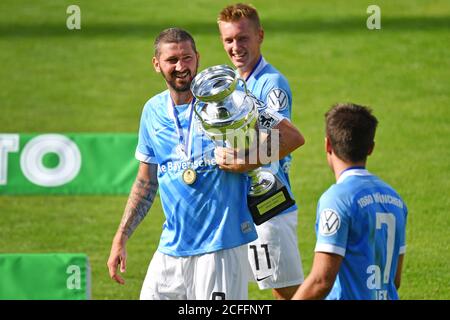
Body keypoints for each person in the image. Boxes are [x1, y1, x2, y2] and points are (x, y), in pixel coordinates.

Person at [106, 27, 305, 300]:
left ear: (197, 57)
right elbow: (145, 181)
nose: (181, 67)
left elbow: (292, 137)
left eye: (187, 58)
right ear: (156, 64)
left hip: (220, 249)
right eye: (172, 60)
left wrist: (247, 161)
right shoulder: (152, 111)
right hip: (172, 249)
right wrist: (121, 237)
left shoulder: (227, 101)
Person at [217, 3, 304, 299]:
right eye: (229, 40)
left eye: (243, 38)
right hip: (241, 209)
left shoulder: (271, 83)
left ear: (260, 36)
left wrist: (242, 162)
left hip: (269, 207)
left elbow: (283, 139)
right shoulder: (231, 84)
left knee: (288, 294)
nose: (236, 46)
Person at [292, 103, 408, 300]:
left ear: (327, 145)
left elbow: (321, 280)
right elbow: (394, 280)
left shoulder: (337, 200)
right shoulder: (395, 199)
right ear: (370, 148)